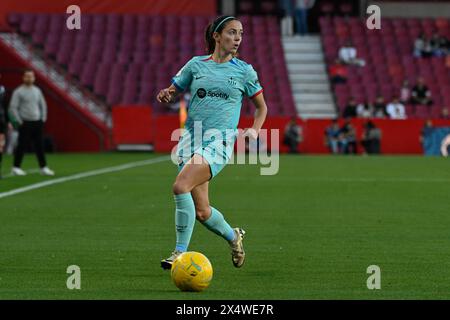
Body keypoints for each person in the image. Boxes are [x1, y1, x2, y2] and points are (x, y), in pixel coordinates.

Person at [156, 16, 268, 270]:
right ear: (217, 36)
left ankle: (179, 253)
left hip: (219, 142)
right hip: (189, 141)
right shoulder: (196, 65)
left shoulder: (244, 71)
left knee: (180, 186)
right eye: (231, 32)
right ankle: (233, 237)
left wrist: (254, 129)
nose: (238, 38)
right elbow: (174, 88)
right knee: (203, 212)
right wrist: (167, 93)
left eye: (240, 33)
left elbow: (262, 108)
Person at [8, 69, 55, 176]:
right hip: (25, 122)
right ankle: (16, 167)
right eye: (27, 76)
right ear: (23, 78)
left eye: (31, 76)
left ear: (34, 78)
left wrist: (43, 118)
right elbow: (13, 107)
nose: (29, 78)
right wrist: (19, 121)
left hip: (37, 121)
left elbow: (43, 105)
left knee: (39, 145)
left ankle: (43, 167)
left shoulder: (37, 91)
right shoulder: (18, 91)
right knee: (22, 145)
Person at [0, 74, 6, 178]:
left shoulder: (2, 89)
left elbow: (5, 105)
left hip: (0, 121)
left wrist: (8, 121)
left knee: (0, 147)